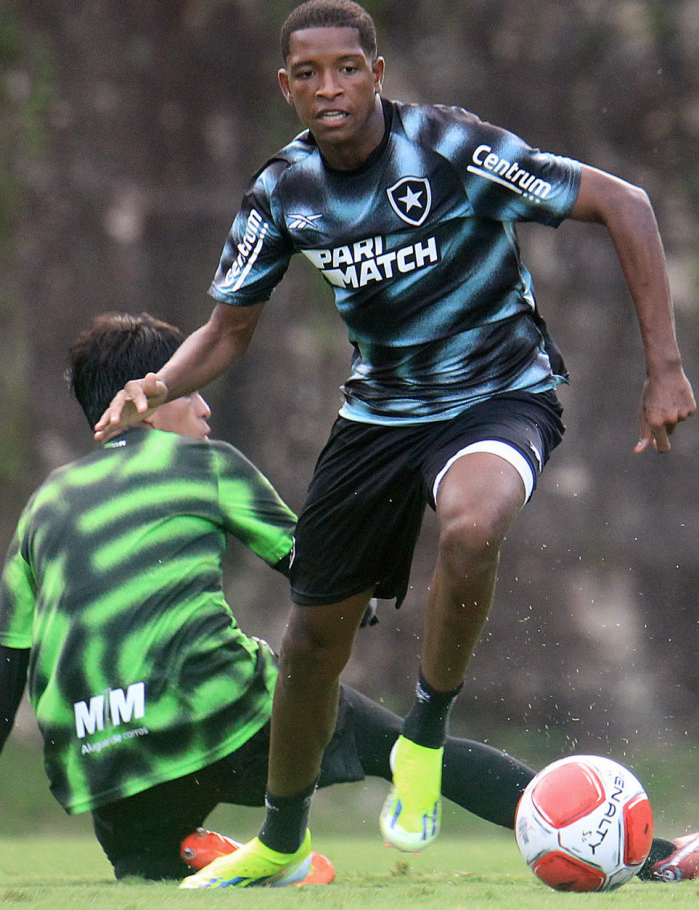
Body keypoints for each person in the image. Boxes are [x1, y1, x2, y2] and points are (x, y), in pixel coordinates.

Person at [92, 0, 696, 889]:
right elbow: (227, 329)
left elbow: (624, 201)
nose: (329, 88)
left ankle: (423, 737)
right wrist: (159, 383)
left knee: (471, 527)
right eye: (308, 74)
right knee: (308, 647)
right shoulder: (283, 190)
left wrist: (664, 367)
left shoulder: (452, 149)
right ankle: (283, 840)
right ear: (286, 87)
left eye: (346, 69)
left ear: (377, 73)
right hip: (378, 418)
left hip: (499, 394)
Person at [1, 312, 693, 887]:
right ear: (147, 398)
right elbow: (313, 570)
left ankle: (191, 849)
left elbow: (9, 671)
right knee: (410, 749)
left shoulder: (39, 509)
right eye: (190, 388)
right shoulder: (205, 465)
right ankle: (655, 856)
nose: (206, 404)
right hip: (224, 720)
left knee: (137, 859)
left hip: (102, 761)